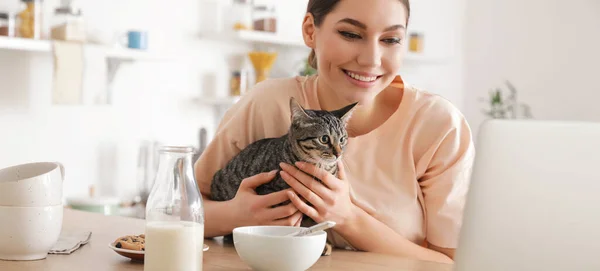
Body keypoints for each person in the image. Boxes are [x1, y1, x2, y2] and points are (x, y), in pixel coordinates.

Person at [194, 0, 475, 264]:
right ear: (310, 31)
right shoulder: (267, 102)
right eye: (351, 34)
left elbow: (453, 263)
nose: (371, 60)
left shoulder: (438, 125)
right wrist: (234, 215)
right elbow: (180, 213)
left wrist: (349, 218)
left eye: (390, 39)